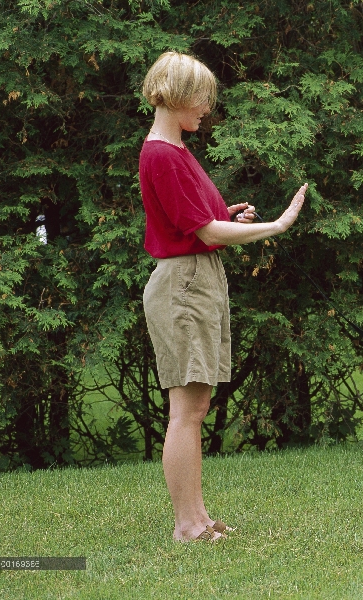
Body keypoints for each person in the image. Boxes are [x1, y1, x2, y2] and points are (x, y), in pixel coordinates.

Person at [139, 51, 307, 542]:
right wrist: (275, 226)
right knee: (185, 412)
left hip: (195, 279)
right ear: (175, 95)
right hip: (184, 285)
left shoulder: (176, 151)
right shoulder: (162, 154)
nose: (206, 109)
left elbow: (197, 222)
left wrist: (226, 216)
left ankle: (199, 517)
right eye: (201, 99)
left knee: (194, 409)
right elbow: (206, 235)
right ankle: (188, 526)